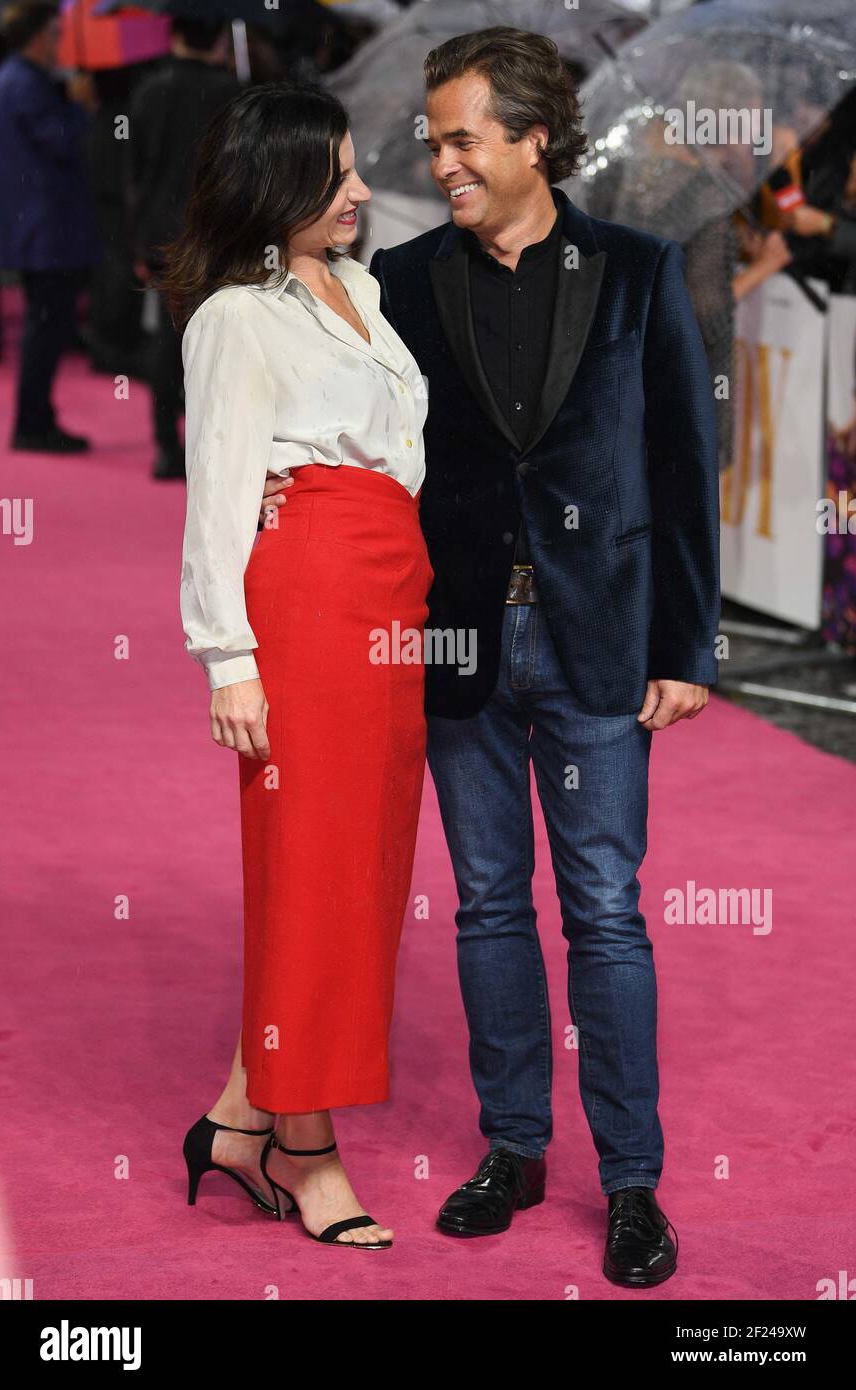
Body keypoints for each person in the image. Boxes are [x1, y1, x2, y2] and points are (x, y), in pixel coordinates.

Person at [263, 26, 722, 1287]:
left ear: (530, 139)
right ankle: (513, 1146)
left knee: (606, 915)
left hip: (598, 642)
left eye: (463, 138)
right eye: (435, 139)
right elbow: (336, 417)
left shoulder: (637, 270)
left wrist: (686, 642)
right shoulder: (398, 282)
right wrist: (273, 479)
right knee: (482, 904)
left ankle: (630, 1181)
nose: (442, 159)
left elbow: (686, 466)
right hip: (456, 642)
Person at [164, 84, 432, 1248]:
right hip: (307, 604)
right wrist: (230, 658)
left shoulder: (365, 291)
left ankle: (234, 1118)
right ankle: (304, 1146)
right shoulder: (234, 317)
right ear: (276, 184)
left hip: (391, 593)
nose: (362, 192)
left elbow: (403, 454)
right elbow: (220, 494)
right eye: (336, 174)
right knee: (314, 872)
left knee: (359, 869)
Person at [127, 18, 238, 480]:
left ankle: (167, 446)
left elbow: (135, 172)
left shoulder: (150, 90)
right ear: (217, 39)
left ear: (173, 36)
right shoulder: (232, 91)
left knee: (167, 343)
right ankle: (209, 448)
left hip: (163, 236)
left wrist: (137, 242)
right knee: (217, 344)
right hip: (215, 235)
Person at [0, 0, 101, 452]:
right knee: (45, 330)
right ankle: (33, 423)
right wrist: (82, 107)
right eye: (56, 35)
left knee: (46, 328)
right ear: (37, 36)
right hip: (46, 231)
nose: (60, 43)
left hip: (35, 228)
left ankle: (38, 416)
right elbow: (64, 142)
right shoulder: (27, 85)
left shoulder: (12, 80)